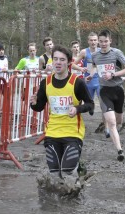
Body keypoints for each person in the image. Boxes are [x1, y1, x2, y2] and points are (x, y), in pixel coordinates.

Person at [30, 45, 94, 189]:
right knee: (54, 174)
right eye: (56, 59)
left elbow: (91, 105)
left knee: (67, 170)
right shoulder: (46, 83)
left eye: (62, 60)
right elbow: (39, 107)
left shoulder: (77, 83)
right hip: (52, 132)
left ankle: (76, 184)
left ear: (69, 63)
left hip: (73, 132)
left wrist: (77, 108)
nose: (58, 63)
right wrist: (33, 104)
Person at [90, 29, 125, 161]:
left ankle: (114, 128)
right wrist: (90, 76)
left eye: (105, 41)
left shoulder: (116, 53)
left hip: (118, 90)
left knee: (118, 121)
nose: (103, 44)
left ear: (110, 41)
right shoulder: (95, 55)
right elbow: (94, 67)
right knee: (112, 122)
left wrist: (113, 74)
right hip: (104, 91)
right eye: (100, 41)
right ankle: (120, 151)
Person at [72, 32, 110, 138]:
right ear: (88, 41)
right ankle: (90, 108)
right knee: (88, 103)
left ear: (97, 41)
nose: (93, 42)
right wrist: (81, 68)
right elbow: (73, 64)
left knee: (104, 105)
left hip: (100, 82)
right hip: (88, 82)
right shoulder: (84, 52)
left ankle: (106, 128)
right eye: (91, 40)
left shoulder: (102, 51)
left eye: (95, 40)